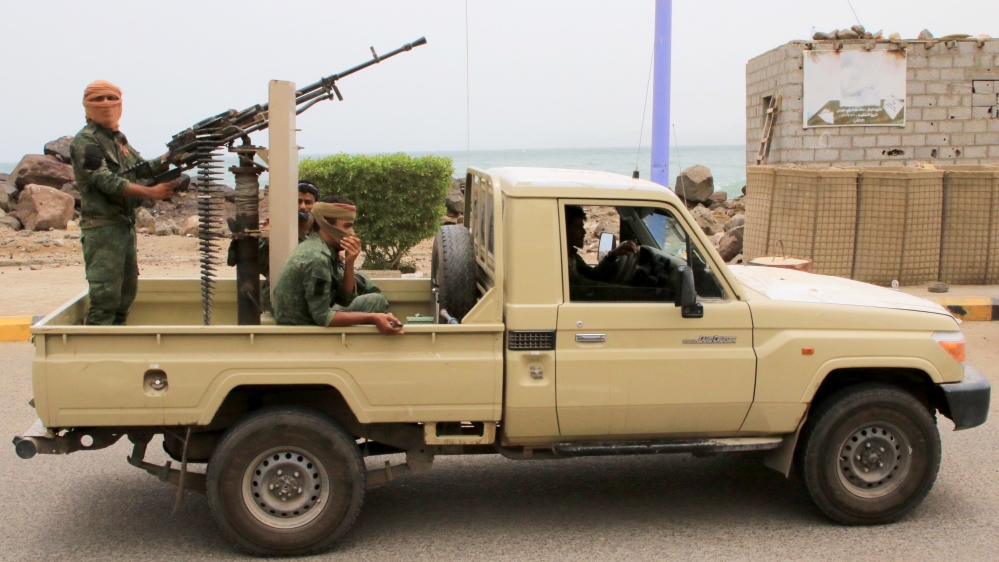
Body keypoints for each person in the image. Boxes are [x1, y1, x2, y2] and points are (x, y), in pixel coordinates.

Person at [70, 80, 179, 325]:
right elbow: (104, 180)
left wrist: (172, 156)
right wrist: (152, 193)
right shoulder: (87, 142)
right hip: (103, 228)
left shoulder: (118, 140)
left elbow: (140, 168)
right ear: (86, 105)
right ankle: (97, 354)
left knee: (125, 294)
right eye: (98, 99)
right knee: (105, 296)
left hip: (122, 226)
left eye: (111, 98)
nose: (106, 104)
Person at [273, 195, 403, 334]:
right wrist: (373, 317)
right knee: (376, 302)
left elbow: (344, 299)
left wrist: (349, 263)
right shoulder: (316, 258)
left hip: (310, 318)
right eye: (347, 226)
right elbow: (322, 317)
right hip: (303, 328)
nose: (352, 232)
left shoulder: (325, 249)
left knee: (374, 299)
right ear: (327, 225)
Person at [564, 204, 638, 287]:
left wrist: (612, 255)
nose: (584, 232)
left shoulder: (571, 254)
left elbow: (592, 275)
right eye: (578, 227)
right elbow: (584, 286)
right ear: (564, 229)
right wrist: (627, 291)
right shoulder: (559, 260)